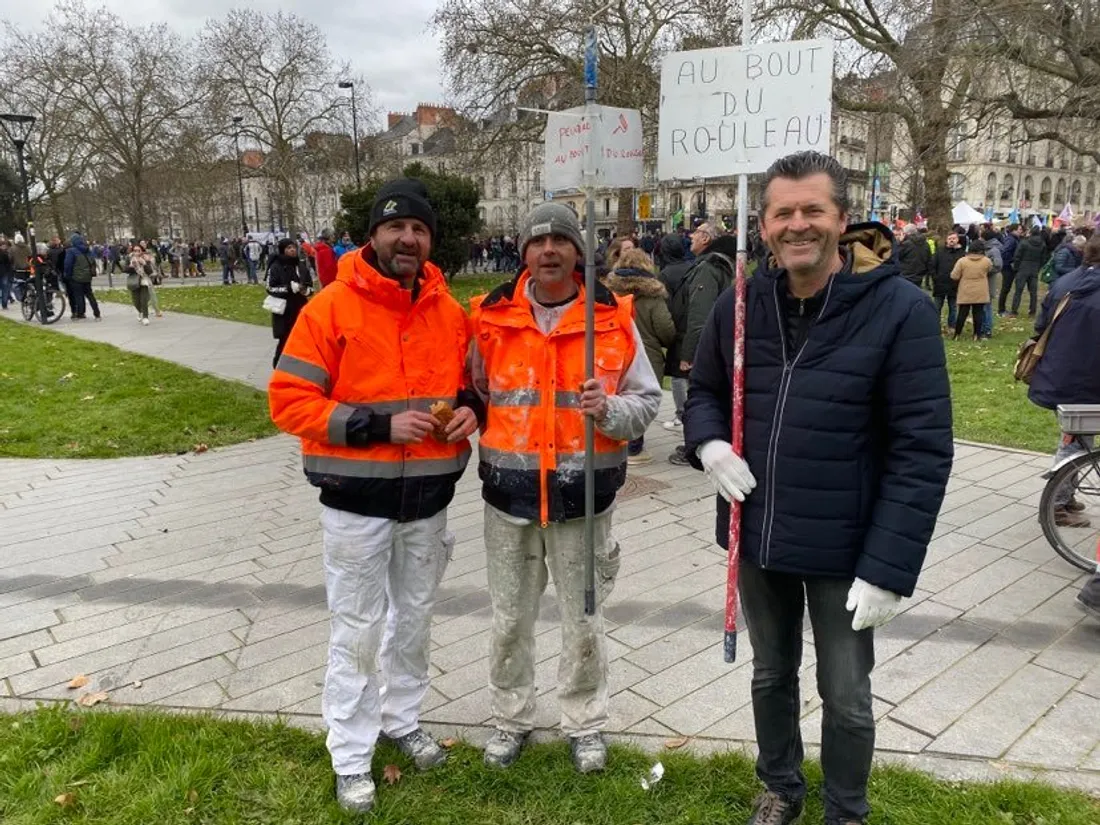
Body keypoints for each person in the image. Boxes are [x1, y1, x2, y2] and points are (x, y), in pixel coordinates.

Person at [683, 151, 952, 825]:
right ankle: (780, 786)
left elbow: (921, 449)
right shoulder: (741, 304)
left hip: (847, 545)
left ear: (842, 218)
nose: (797, 224)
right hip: (758, 530)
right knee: (770, 674)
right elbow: (704, 390)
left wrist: (889, 567)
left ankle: (845, 811)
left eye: (812, 210)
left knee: (847, 694)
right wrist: (708, 443)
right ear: (763, 225)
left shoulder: (901, 310)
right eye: (783, 213)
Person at [268, 178, 480, 815]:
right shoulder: (329, 309)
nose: (407, 239)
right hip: (355, 502)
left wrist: (472, 410)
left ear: (430, 241)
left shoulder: (449, 313)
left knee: (414, 620)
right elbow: (288, 400)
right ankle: (351, 753)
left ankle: (402, 718)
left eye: (419, 229)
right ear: (373, 237)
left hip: (429, 499)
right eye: (395, 228)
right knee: (357, 630)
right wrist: (375, 427)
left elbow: (471, 387)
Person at [468, 202, 661, 774]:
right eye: (537, 240)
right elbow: (469, 393)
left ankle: (584, 722)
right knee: (510, 620)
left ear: (579, 252)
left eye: (560, 240)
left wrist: (611, 411)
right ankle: (510, 718)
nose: (548, 250)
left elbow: (647, 401)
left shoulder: (613, 319)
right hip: (509, 500)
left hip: (584, 501)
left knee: (583, 622)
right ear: (523, 252)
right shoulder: (489, 318)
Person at [1027, 234, 1100, 535]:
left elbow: (1041, 324)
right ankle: (1056, 504)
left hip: (1060, 371)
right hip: (1087, 376)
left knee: (1079, 436)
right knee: (1075, 438)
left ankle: (1064, 494)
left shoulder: (1065, 281)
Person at [669, 225, 736, 465]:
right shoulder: (717, 265)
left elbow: (699, 316)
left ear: (706, 238)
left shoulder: (708, 268)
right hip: (716, 342)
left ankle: (695, 445)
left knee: (696, 394)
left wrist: (688, 354)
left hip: (702, 345)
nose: (691, 237)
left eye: (696, 233)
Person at [604, 247, 676, 464]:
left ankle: (616, 440)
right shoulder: (653, 296)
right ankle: (634, 446)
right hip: (648, 355)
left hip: (613, 352)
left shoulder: (609, 293)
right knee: (638, 397)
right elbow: (666, 330)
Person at [657, 232, 695, 431]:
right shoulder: (693, 267)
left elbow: (665, 305)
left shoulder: (665, 274)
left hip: (677, 328)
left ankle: (681, 414)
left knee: (678, 375)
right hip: (694, 324)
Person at [265, 238, 313, 367]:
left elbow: (309, 285)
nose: (292, 250)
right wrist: (288, 288)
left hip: (300, 306)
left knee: (302, 337)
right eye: (288, 248)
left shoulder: (300, 265)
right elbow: (270, 287)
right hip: (284, 309)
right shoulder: (276, 266)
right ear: (282, 250)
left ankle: (299, 364)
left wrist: (306, 290)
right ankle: (279, 365)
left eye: (293, 247)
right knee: (285, 338)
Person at [950, 238, 992, 340]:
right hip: (981, 289)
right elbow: (989, 270)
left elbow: (954, 276)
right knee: (978, 313)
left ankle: (957, 334)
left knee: (962, 313)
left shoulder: (962, 261)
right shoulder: (986, 261)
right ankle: (977, 335)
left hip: (966, 289)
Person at [1010, 225, 1048, 316]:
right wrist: (1038, 267)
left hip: (1023, 267)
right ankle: (1032, 311)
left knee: (1018, 291)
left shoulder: (1024, 242)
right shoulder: (1042, 244)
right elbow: (1044, 259)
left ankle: (1014, 310)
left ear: (1031, 233)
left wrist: (1016, 267)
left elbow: (1017, 256)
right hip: (1034, 268)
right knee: (1033, 292)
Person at [930, 232, 964, 331]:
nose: (952, 240)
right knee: (937, 307)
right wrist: (935, 277)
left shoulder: (961, 253)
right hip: (940, 283)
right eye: (950, 238)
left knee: (953, 307)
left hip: (954, 284)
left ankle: (952, 326)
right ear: (946, 240)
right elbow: (932, 266)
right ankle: (934, 325)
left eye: (954, 238)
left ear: (957, 239)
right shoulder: (939, 252)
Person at [64, 232, 102, 320]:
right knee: (90, 295)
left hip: (76, 277)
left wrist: (68, 275)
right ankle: (97, 313)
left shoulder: (71, 251)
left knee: (78, 295)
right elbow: (92, 261)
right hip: (87, 276)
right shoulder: (87, 250)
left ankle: (80, 313)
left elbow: (68, 265)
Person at [979, 228, 1003, 339]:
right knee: (982, 306)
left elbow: (998, 265)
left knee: (986, 306)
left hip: (989, 281)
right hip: (982, 281)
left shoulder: (994, 250)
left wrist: (985, 270)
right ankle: (982, 327)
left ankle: (987, 329)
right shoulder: (985, 248)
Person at [125, 242, 155, 325]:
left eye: (139, 250)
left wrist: (144, 263)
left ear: (142, 251)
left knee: (143, 300)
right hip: (134, 281)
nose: (137, 252)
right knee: (136, 301)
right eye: (135, 250)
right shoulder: (129, 258)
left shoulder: (145, 258)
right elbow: (125, 270)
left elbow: (150, 271)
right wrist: (131, 267)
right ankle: (140, 312)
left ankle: (145, 317)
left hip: (144, 280)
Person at [897, 223, 931, 288]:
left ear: (907, 233)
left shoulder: (906, 244)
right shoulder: (926, 244)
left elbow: (896, 255)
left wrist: (899, 242)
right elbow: (929, 260)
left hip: (905, 276)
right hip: (919, 276)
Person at [998, 224, 1022, 315]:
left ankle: (1002, 308)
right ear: (1014, 230)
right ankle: (1001, 309)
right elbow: (1004, 251)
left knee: (1007, 288)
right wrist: (1011, 260)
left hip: (1009, 266)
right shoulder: (1011, 240)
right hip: (1008, 267)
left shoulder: (1015, 239)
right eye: (1019, 229)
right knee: (1005, 288)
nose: (1021, 231)